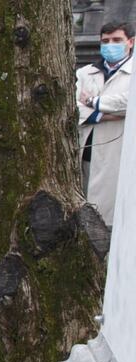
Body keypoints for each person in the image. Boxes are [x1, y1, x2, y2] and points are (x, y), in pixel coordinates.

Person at [77, 21, 132, 229]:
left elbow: (128, 103)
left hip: (117, 154)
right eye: (106, 41)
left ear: (131, 42)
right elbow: (74, 108)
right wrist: (101, 116)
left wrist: (94, 103)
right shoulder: (85, 73)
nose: (111, 45)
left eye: (117, 40)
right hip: (86, 150)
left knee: (111, 217)